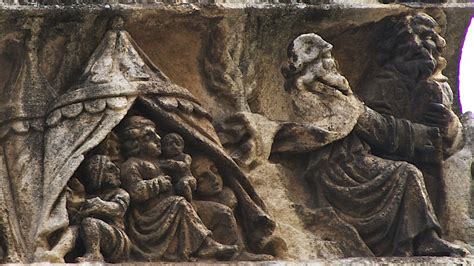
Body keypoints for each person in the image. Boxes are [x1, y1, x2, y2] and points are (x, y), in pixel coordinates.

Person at [280, 32, 468, 256]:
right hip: (341, 169)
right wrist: (421, 136)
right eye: (325, 59)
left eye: (331, 57)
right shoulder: (318, 96)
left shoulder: (336, 93)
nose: (332, 64)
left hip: (353, 163)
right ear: (312, 67)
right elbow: (373, 127)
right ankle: (423, 240)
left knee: (410, 172)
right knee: (407, 173)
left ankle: (420, 239)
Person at [118, 116, 238, 261]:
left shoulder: (164, 163)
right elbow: (136, 192)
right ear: (135, 143)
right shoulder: (132, 165)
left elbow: (185, 183)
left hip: (175, 210)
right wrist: (159, 183)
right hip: (148, 219)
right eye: (150, 136)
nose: (158, 138)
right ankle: (205, 246)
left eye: (156, 134)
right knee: (179, 203)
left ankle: (237, 251)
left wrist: (185, 182)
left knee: (222, 212)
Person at [191, 155, 273, 261]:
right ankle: (237, 254)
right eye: (202, 178)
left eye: (215, 170)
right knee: (224, 213)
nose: (214, 179)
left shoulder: (228, 195)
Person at [160, 133, 197, 202]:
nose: (174, 146)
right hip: (175, 183)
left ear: (182, 146)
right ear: (163, 148)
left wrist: (173, 164)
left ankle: (190, 202)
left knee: (183, 183)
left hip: (188, 179)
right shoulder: (164, 161)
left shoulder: (185, 156)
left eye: (177, 144)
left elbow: (185, 166)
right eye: (170, 144)